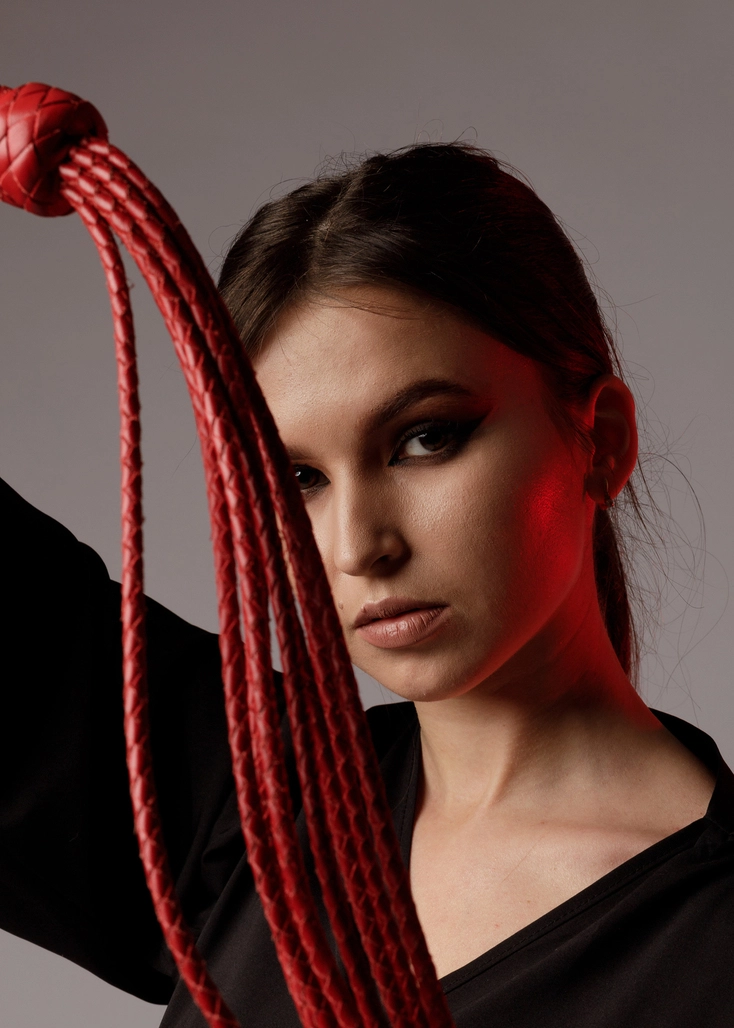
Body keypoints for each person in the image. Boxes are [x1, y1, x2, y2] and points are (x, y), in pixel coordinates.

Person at [2, 142, 733, 1027]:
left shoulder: (709, 942)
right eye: (297, 479)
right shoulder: (261, 814)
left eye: (426, 438)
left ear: (602, 441)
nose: (358, 546)